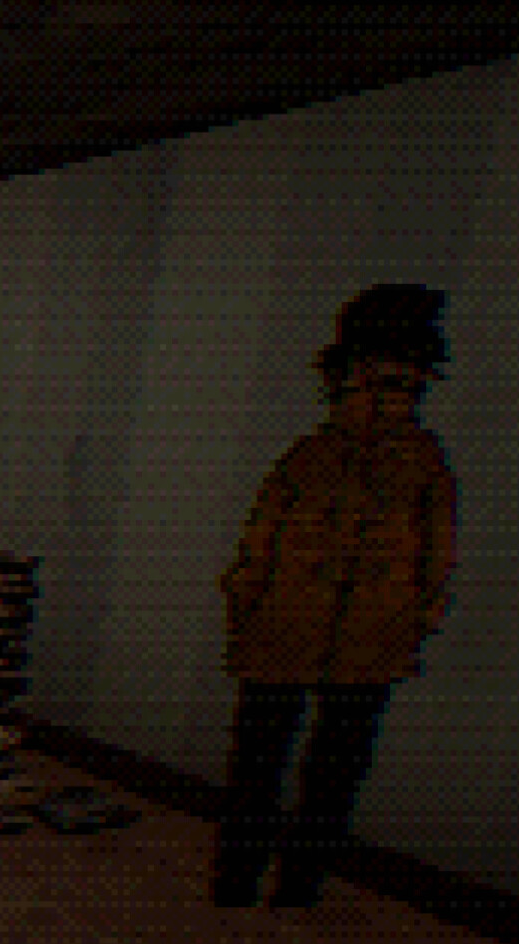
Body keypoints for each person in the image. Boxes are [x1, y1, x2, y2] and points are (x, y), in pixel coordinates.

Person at [212, 283, 459, 908]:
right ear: (341, 381)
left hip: (370, 641)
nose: (378, 401)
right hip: (282, 630)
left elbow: (437, 559)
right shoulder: (307, 458)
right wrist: (244, 614)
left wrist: (413, 621)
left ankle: (299, 888)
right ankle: (236, 879)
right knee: (257, 764)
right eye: (363, 384)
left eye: (399, 387)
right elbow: (257, 545)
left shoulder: (425, 469)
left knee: (335, 773)